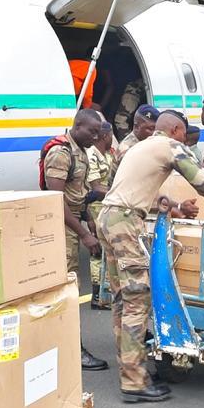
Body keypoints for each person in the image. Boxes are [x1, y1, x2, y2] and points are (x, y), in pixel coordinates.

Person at [97, 110, 204, 403]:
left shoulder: (141, 146)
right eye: (184, 134)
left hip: (107, 217)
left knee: (121, 300)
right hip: (124, 222)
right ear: (176, 130)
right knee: (137, 298)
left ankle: (132, 369)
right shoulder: (170, 147)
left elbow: (140, 189)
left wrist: (175, 206)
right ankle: (134, 381)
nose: (185, 139)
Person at [42, 108, 109, 372]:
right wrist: (84, 235)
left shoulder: (79, 151)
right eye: (92, 132)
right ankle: (72, 350)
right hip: (61, 227)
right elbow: (55, 200)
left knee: (68, 289)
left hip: (73, 222)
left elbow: (77, 192)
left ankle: (65, 346)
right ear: (77, 126)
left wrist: (88, 218)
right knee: (67, 292)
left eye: (98, 133)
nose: (96, 137)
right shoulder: (61, 154)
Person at [85, 122, 115, 310]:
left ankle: (106, 292)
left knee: (107, 251)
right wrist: (118, 193)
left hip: (107, 206)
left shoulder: (108, 154)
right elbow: (95, 187)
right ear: (105, 136)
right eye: (111, 136)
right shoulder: (92, 155)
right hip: (96, 208)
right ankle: (97, 296)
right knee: (97, 252)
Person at [109, 104, 159, 182]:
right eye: (151, 128)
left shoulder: (144, 142)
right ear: (137, 127)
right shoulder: (127, 151)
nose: (155, 132)